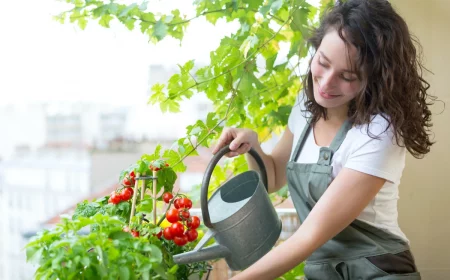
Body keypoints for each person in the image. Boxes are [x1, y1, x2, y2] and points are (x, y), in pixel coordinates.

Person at [211, 0, 436, 279]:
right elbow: (272, 178)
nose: (327, 83)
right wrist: (252, 146)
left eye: (347, 76)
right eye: (323, 63)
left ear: (373, 78)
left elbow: (309, 237)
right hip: (324, 272)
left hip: (376, 271)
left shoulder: (380, 132)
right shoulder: (305, 106)